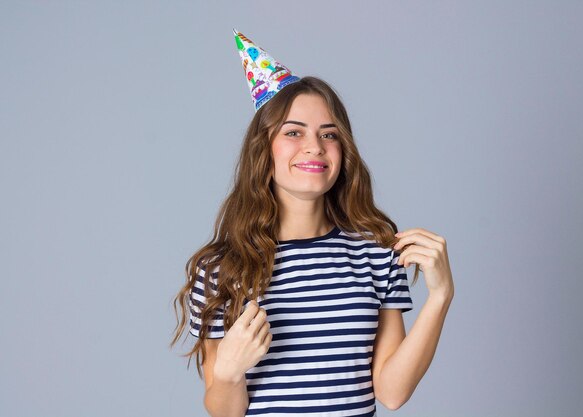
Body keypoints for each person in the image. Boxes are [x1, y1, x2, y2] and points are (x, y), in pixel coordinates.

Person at [171, 30, 455, 417]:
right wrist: (228, 372)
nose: (314, 146)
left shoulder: (376, 256)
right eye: (293, 132)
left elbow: (391, 392)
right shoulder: (221, 270)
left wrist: (440, 298)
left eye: (329, 134)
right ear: (263, 149)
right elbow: (225, 412)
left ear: (343, 151)